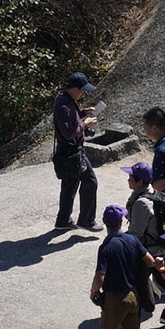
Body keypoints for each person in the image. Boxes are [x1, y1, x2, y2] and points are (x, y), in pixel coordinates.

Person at [90, 204, 156, 329]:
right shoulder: (132, 240)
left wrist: (94, 291)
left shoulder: (106, 247)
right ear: (120, 222)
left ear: (105, 223)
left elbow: (100, 277)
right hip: (133, 297)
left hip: (115, 300)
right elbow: (150, 261)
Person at [55, 74, 103, 232]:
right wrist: (85, 123)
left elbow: (70, 119)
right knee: (90, 181)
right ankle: (86, 221)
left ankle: (63, 220)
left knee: (70, 184)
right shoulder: (63, 105)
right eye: (82, 90)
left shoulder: (66, 100)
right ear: (74, 89)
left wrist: (83, 112)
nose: (83, 93)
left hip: (68, 151)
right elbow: (69, 132)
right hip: (73, 151)